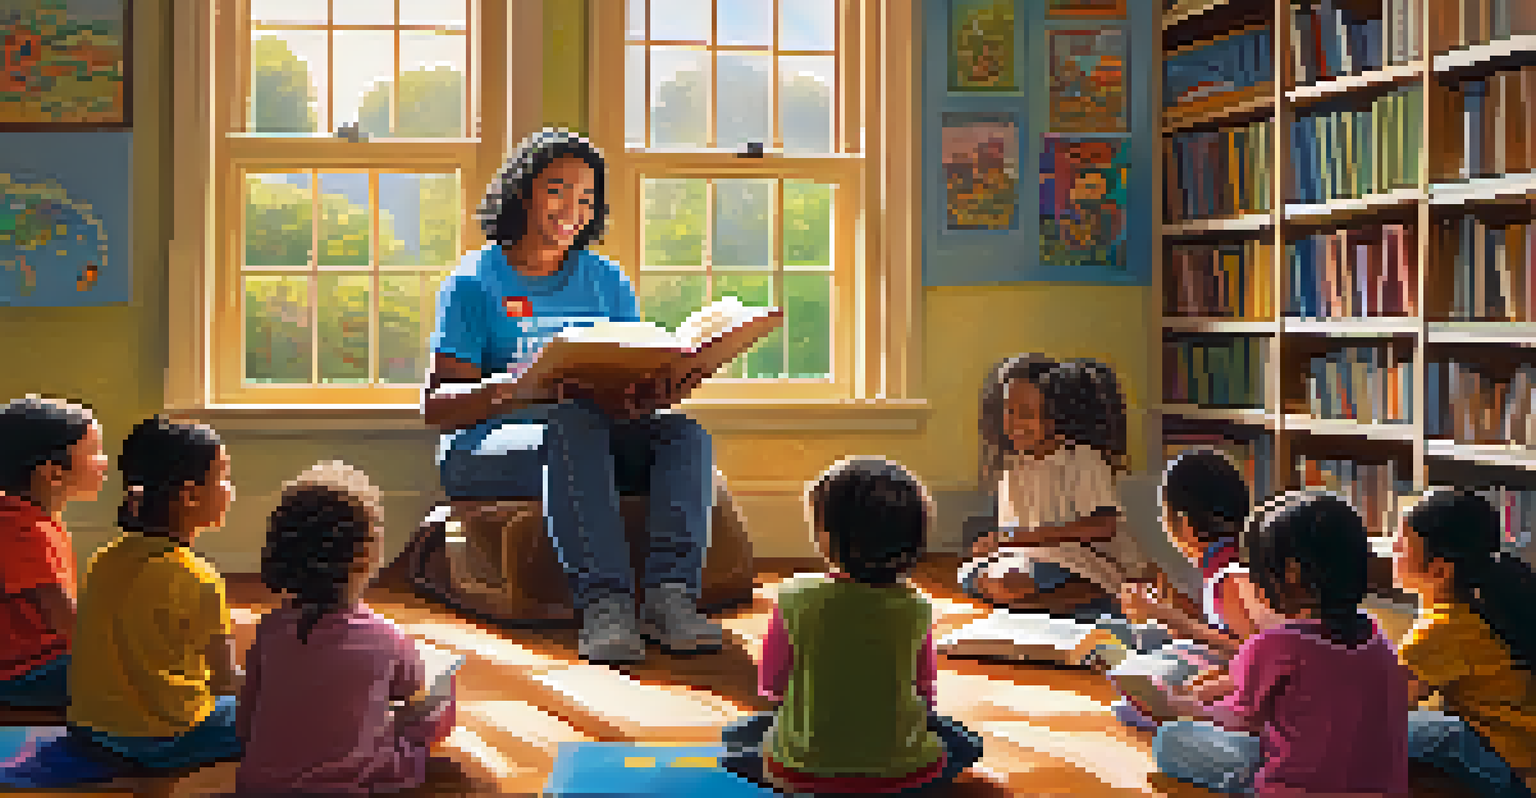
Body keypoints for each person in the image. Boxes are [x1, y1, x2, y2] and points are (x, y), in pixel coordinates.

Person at [423, 128, 722, 665]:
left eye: (587, 198)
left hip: (591, 434)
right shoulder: (472, 283)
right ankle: (605, 605)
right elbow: (438, 407)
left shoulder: (608, 282)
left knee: (684, 435)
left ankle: (668, 598)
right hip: (483, 449)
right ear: (522, 192)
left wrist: (659, 388)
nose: (573, 209)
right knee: (574, 424)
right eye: (558, 190)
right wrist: (513, 387)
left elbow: (623, 389)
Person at [719, 456, 983, 793]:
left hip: (802, 774)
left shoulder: (794, 597)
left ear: (827, 538)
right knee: (964, 741)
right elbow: (924, 693)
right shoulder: (918, 608)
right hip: (901, 773)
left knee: (739, 736)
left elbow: (774, 686)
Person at [1153, 490, 1410, 796]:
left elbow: (1237, 719)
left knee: (1171, 739)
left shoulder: (1275, 644)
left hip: (1294, 789)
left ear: (1292, 573)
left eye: (1257, 569)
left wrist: (1181, 707)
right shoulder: (1379, 640)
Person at [236, 461, 457, 795]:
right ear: (366, 555)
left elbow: (244, 725)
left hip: (261, 785)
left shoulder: (268, 632)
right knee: (431, 709)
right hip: (352, 784)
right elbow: (410, 701)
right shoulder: (388, 639)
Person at [67, 416, 243, 773]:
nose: (230, 489)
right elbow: (228, 682)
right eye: (223, 476)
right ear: (190, 495)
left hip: (88, 731)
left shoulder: (102, 559)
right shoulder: (197, 578)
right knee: (276, 711)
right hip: (162, 741)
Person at [961, 357, 1154, 619]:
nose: (1015, 423)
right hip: (1033, 556)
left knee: (1006, 582)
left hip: (1082, 558)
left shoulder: (1082, 459)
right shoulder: (1013, 465)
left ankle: (1081, 610)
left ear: (1055, 417)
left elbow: (1103, 527)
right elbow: (1014, 529)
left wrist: (1016, 540)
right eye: (1009, 411)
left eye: (1027, 414)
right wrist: (995, 543)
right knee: (973, 576)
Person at [1108, 448, 1282, 731]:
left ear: (1185, 525)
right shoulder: (1232, 557)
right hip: (1249, 672)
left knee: (1139, 697)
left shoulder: (1230, 575)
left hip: (1263, 684)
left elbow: (1252, 651)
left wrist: (1165, 615)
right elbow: (1222, 629)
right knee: (1145, 647)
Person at [1393, 490, 1536, 798]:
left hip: (1514, 774)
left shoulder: (1443, 629)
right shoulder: (1484, 606)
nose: (1392, 549)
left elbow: (1382, 705)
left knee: (1382, 733)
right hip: (1520, 758)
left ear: (1440, 571)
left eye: (1402, 545)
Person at [0, 396, 108, 709]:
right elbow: (68, 622)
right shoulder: (25, 531)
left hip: (40, 664)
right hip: (27, 674)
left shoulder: (28, 520)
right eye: (94, 452)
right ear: (53, 473)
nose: (103, 462)